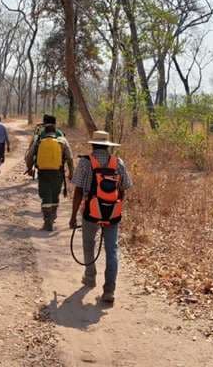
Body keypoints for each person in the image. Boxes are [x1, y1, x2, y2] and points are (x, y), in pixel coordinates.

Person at [69, 131, 132, 305]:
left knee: (89, 244)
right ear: (108, 145)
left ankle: (90, 277)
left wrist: (73, 216)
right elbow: (124, 188)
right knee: (112, 251)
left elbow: (78, 191)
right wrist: (114, 209)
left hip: (91, 213)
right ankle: (109, 291)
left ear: (93, 145)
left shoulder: (85, 162)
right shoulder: (118, 162)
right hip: (112, 214)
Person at [25, 122, 73, 231]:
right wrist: (71, 172)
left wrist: (29, 168)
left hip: (43, 173)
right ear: (55, 132)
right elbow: (70, 158)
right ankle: (53, 215)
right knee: (55, 194)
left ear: (45, 132)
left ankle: (47, 221)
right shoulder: (62, 141)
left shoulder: (38, 141)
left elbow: (29, 156)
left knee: (46, 195)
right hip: (58, 173)